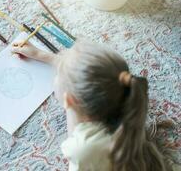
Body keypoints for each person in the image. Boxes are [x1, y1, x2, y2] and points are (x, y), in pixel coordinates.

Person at [11, 40, 176, 171]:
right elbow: (94, 75)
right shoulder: (124, 99)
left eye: (57, 76)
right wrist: (41, 55)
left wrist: (70, 111)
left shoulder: (83, 149)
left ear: (69, 100)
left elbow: (74, 141)